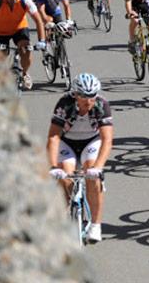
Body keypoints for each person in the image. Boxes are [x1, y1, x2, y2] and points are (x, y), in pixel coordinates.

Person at [47, 73, 113, 243]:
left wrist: (98, 168)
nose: (88, 101)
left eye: (92, 96)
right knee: (65, 178)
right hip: (67, 142)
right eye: (83, 96)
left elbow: (107, 139)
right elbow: (54, 136)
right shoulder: (65, 104)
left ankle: (95, 225)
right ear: (75, 94)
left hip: (90, 142)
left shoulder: (101, 105)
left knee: (92, 176)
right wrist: (53, 166)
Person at [0, 0, 46, 89]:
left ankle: (24, 74)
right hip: (0, 30)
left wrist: (42, 40)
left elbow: (38, 20)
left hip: (19, 28)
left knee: (26, 49)